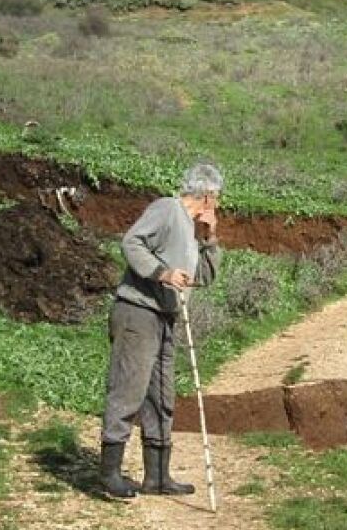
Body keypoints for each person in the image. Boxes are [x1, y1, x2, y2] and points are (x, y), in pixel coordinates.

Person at [99, 163, 223, 498]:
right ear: (208, 195)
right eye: (218, 197)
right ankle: (109, 474)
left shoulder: (192, 228)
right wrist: (163, 273)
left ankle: (157, 477)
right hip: (138, 312)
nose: (219, 203)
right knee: (129, 389)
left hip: (167, 318)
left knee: (161, 395)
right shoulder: (167, 209)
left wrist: (209, 239)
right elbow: (131, 242)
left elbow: (207, 278)